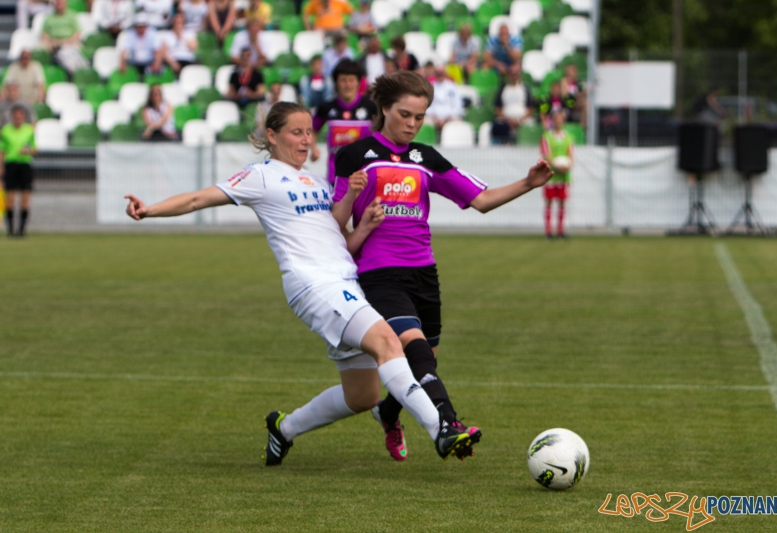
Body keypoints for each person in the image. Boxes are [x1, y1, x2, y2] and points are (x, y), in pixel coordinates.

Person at [123, 101, 478, 466]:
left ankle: (284, 429)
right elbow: (199, 198)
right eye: (296, 132)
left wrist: (362, 218)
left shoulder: (315, 181)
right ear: (272, 136)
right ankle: (441, 428)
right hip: (314, 285)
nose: (306, 140)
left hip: (345, 281)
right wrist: (150, 210)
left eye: (309, 132)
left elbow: (338, 238)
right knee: (389, 342)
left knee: (363, 396)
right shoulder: (260, 176)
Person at [332, 71, 553, 461]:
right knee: (414, 346)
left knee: (426, 360)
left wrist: (528, 183)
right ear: (384, 108)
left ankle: (388, 412)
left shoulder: (426, 157)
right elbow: (333, 224)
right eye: (405, 114)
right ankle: (447, 423)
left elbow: (481, 200)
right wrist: (355, 209)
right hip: (379, 272)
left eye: (420, 117)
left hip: (424, 272)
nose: (413, 124)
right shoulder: (353, 155)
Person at [311, 59, 376, 183]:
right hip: (336, 178)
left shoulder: (371, 108)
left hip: (365, 178)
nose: (347, 85)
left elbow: (384, 134)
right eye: (343, 80)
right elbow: (312, 130)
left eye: (351, 80)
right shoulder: (326, 107)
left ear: (358, 82)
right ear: (336, 83)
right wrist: (314, 149)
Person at [1, 105, 37, 238]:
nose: (18, 118)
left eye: (20, 115)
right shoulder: (6, 131)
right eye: (15, 115)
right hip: (10, 165)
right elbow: (2, 150)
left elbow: (34, 149)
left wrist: (27, 151)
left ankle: (21, 230)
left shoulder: (29, 130)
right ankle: (10, 230)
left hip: (24, 165)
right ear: (12, 117)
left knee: (25, 199)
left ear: (23, 117)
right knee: (10, 199)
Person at [540, 109, 574, 239]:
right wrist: (556, 165)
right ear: (552, 120)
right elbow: (546, 154)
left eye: (561, 118)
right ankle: (548, 231)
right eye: (556, 118)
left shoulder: (568, 137)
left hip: (564, 175)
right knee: (549, 202)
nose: (558, 121)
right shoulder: (547, 137)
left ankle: (560, 230)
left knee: (562, 202)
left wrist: (568, 165)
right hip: (550, 174)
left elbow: (571, 154)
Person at [40, 0, 88, 74]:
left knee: (73, 49)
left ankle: (77, 69)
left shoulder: (72, 15)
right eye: (58, 3)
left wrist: (68, 42)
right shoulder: (48, 17)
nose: (59, 5)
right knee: (39, 47)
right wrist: (51, 42)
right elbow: (43, 33)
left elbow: (77, 33)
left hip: (69, 41)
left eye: (61, 3)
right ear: (54, 4)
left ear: (65, 4)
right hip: (52, 42)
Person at [491, 61, 534, 144]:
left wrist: (520, 120)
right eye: (512, 73)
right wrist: (508, 120)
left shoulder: (525, 88)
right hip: (505, 120)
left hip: (522, 120)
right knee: (498, 126)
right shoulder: (503, 89)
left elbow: (531, 108)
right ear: (508, 74)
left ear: (520, 75)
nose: (514, 75)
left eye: (516, 73)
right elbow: (497, 109)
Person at [426, 64, 463, 131]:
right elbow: (428, 106)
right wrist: (436, 119)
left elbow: (457, 105)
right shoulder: (431, 87)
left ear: (445, 73)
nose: (440, 75)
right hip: (434, 118)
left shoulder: (452, 86)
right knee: (425, 122)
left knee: (459, 124)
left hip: (450, 117)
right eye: (438, 73)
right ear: (435, 74)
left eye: (441, 73)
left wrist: (446, 119)